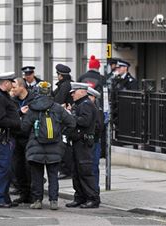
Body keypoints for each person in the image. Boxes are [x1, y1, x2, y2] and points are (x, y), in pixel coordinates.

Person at [22, 81, 76, 210]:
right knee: (53, 176)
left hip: (35, 147)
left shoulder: (32, 108)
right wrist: (62, 135)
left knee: (37, 177)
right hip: (55, 147)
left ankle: (37, 201)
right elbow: (72, 123)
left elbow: (24, 128)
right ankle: (53, 201)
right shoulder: (57, 107)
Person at [0, 72, 22, 208]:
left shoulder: (2, 96)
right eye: (11, 83)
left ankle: (4, 197)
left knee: (7, 169)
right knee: (3, 168)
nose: (12, 85)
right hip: (2, 138)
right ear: (6, 83)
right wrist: (17, 123)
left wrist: (18, 114)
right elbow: (0, 119)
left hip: (5, 137)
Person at [65, 82, 101, 208]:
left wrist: (70, 116)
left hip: (84, 143)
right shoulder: (80, 104)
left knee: (85, 171)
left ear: (81, 91)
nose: (72, 95)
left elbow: (85, 122)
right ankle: (79, 197)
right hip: (77, 142)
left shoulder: (86, 105)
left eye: (74, 92)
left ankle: (92, 198)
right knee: (76, 171)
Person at [10, 77, 37, 204]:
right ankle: (23, 194)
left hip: (30, 138)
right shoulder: (12, 101)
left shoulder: (33, 99)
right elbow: (9, 116)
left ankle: (33, 195)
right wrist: (19, 112)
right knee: (18, 168)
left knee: (29, 168)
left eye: (14, 87)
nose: (12, 89)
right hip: (16, 138)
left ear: (22, 87)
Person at [86, 87, 103, 192]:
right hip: (88, 142)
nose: (87, 98)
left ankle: (94, 190)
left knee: (93, 167)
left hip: (94, 142)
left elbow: (99, 127)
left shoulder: (97, 110)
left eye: (90, 96)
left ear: (94, 98)